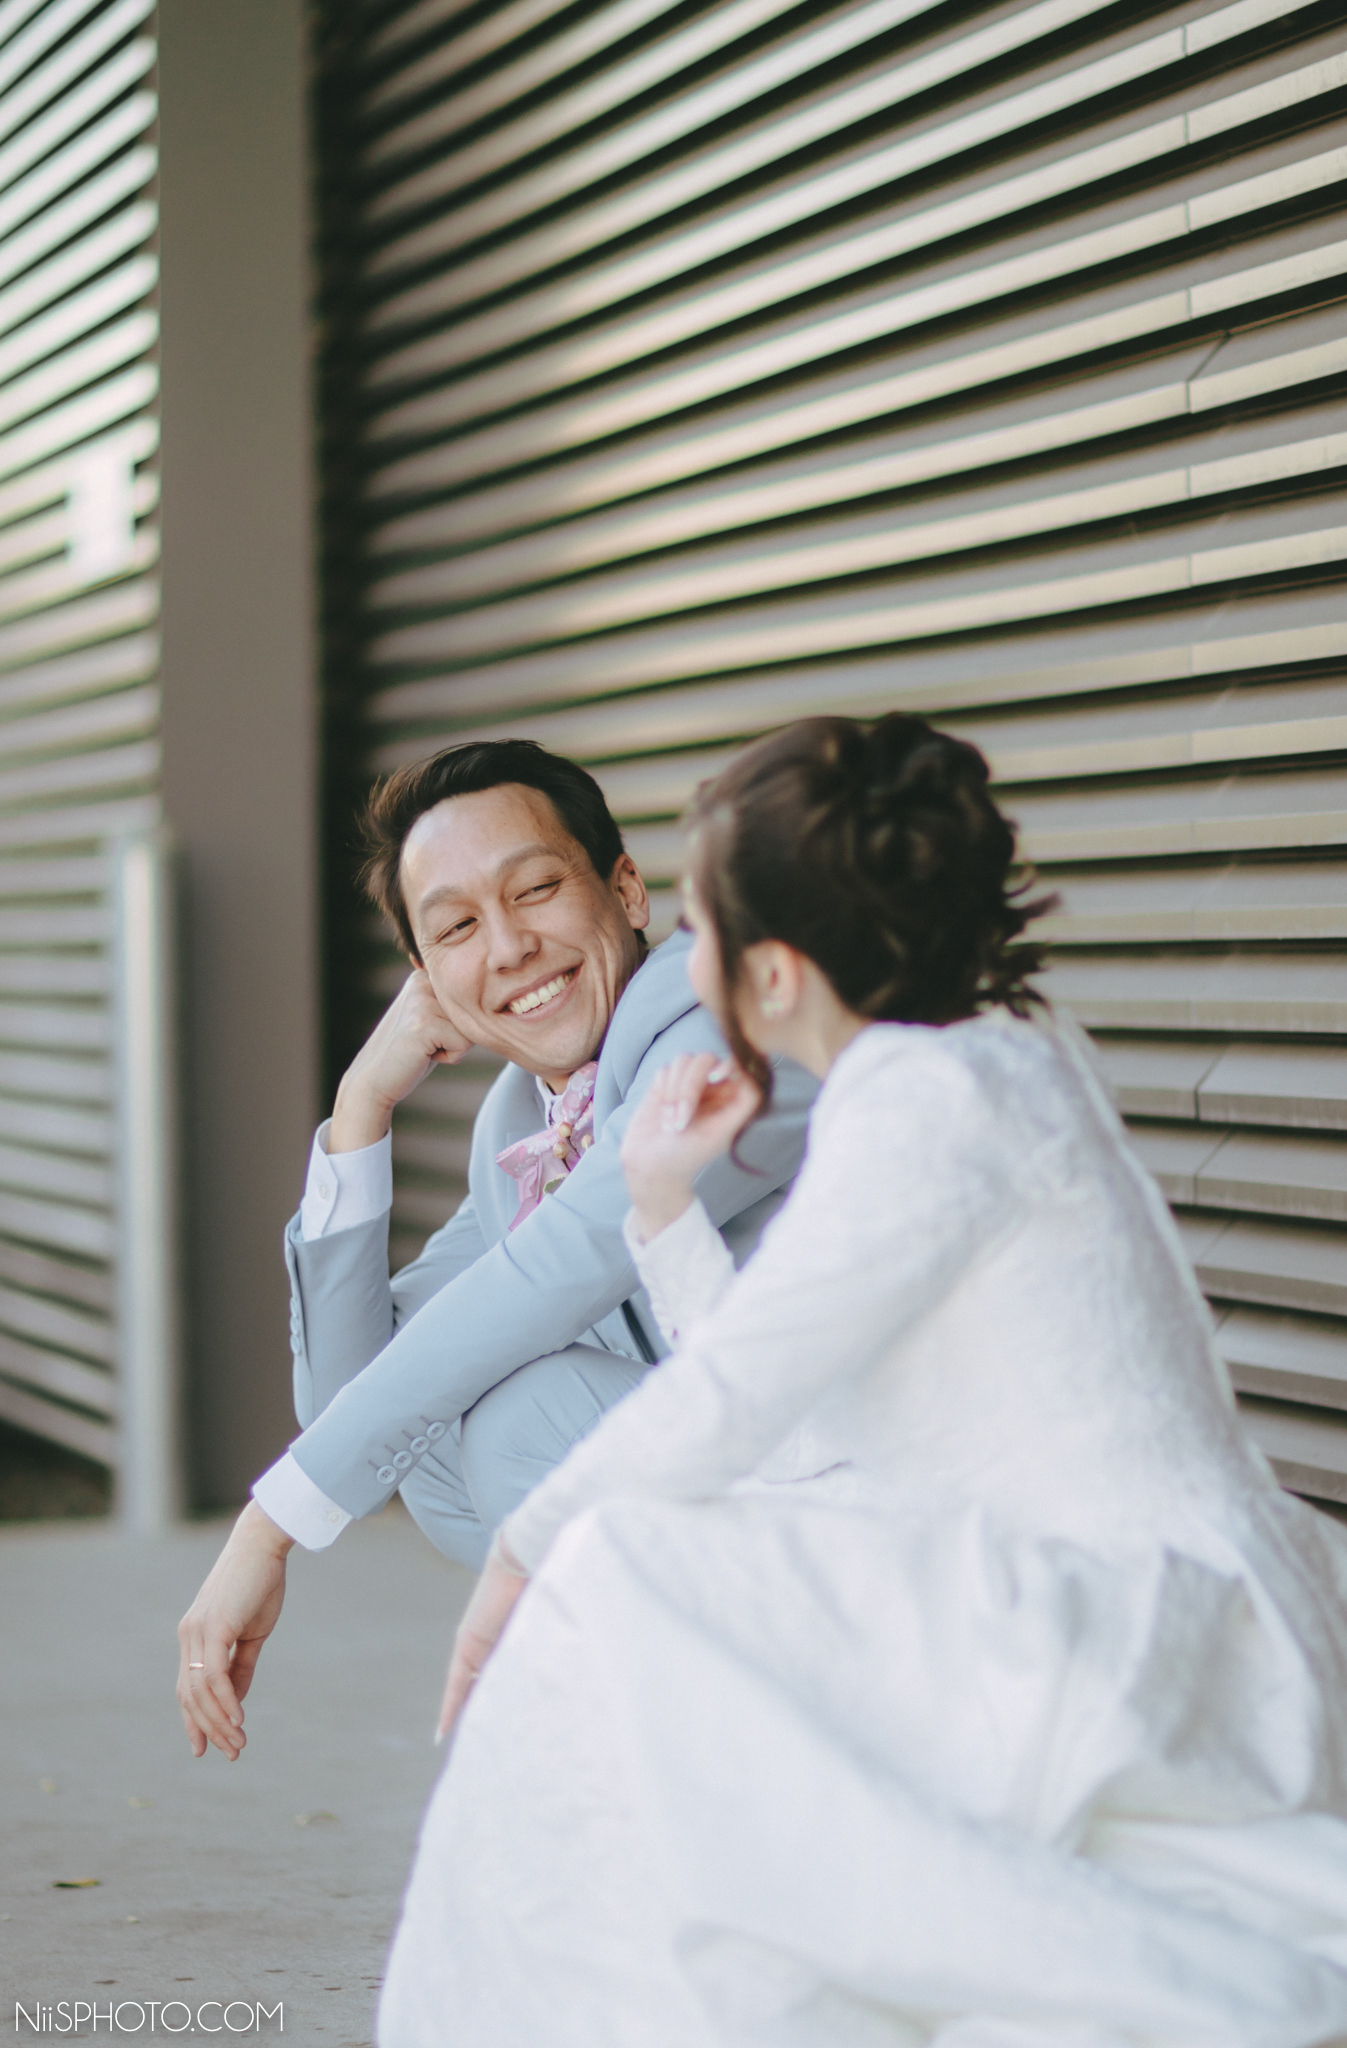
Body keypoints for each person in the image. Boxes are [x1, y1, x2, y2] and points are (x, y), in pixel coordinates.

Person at [379, 714, 1347, 2048]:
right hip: (1103, 1576)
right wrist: (662, 1205)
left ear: (772, 976)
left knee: (616, 1575)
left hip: (1138, 1615)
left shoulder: (924, 1104)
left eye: (703, 932)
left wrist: (518, 1557)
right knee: (656, 1584)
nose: (683, 965)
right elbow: (789, 1407)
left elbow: (734, 1402)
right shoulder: (973, 1062)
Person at [175, 741, 815, 1763]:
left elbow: (559, 1267)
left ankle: (700, 1753)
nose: (510, 946)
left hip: (873, 1491)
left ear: (626, 891)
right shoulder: (525, 1120)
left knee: (520, 1416)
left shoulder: (726, 1029)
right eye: (458, 926)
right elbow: (352, 1395)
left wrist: (271, 1525)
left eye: (536, 890)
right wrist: (361, 1106)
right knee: (432, 1435)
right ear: (427, 978)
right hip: (745, 1495)